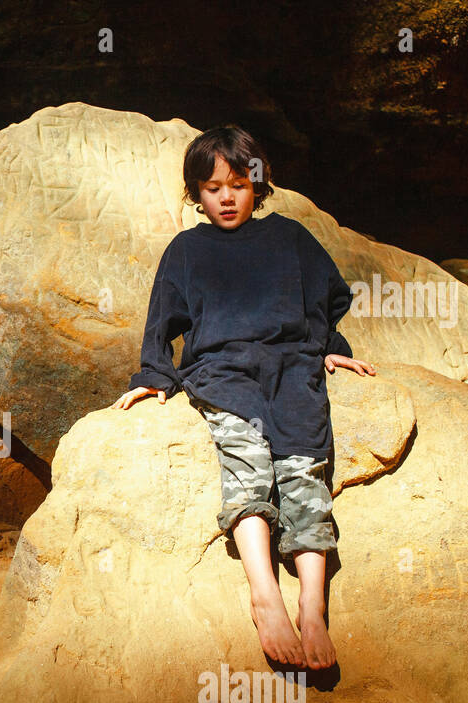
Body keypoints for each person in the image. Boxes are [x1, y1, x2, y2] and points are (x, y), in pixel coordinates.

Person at [110, 125, 376, 671]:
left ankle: (312, 604)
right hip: (222, 372)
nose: (226, 197)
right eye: (211, 188)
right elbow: (163, 320)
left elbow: (325, 300)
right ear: (195, 194)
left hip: (292, 368)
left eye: (236, 184)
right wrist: (154, 374)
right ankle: (265, 596)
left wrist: (331, 347)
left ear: (258, 184)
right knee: (248, 467)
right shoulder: (187, 250)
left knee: (304, 470)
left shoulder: (290, 239)